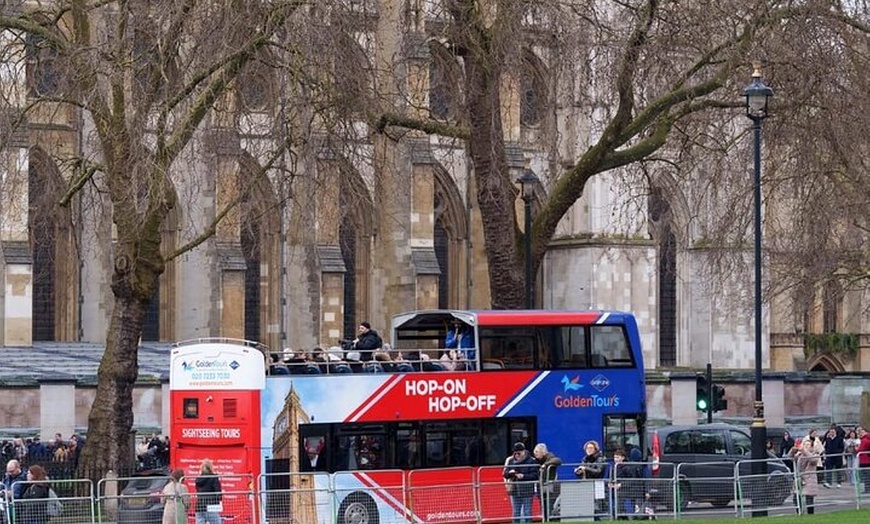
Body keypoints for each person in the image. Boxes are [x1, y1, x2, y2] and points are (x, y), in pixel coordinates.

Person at [503, 442, 539, 523]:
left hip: (527, 490)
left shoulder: (531, 461)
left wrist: (523, 476)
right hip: (514, 490)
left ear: (523, 451)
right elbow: (505, 474)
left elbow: (535, 475)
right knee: (516, 512)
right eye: (515, 453)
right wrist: (509, 473)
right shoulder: (510, 460)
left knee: (527, 512)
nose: (517, 455)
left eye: (518, 453)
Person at [574, 440, 608, 519]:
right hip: (586, 484)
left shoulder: (601, 458)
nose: (589, 450)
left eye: (591, 448)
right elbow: (582, 471)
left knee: (598, 503)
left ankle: (600, 518)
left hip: (597, 484)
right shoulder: (585, 459)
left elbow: (598, 471)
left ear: (595, 449)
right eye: (587, 448)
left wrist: (585, 468)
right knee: (587, 502)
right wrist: (578, 471)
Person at [792, 430, 824, 514]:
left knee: (809, 498)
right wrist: (793, 450)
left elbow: (813, 460)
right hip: (800, 478)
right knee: (796, 497)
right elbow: (790, 457)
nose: (806, 446)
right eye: (805, 445)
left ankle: (810, 514)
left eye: (808, 445)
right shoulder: (800, 454)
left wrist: (804, 451)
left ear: (811, 447)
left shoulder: (815, 454)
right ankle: (799, 512)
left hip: (809, 478)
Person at [533, 443, 562, 522]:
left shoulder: (550, 457)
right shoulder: (536, 460)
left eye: (536, 452)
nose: (535, 454)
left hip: (550, 486)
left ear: (543, 452)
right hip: (541, 486)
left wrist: (545, 465)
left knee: (549, 505)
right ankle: (545, 519)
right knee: (543, 505)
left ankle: (549, 519)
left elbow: (558, 460)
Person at [194, 459, 222, 524]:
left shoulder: (198, 479)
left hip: (199, 506)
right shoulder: (214, 478)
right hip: (211, 505)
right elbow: (218, 493)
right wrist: (218, 500)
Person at [857, 426, 870, 493]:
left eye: (862, 432)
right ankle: (867, 488)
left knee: (866, 476)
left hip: (865, 460)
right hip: (866, 459)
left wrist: (856, 449)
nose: (861, 434)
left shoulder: (864, 440)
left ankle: (867, 488)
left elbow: (861, 449)